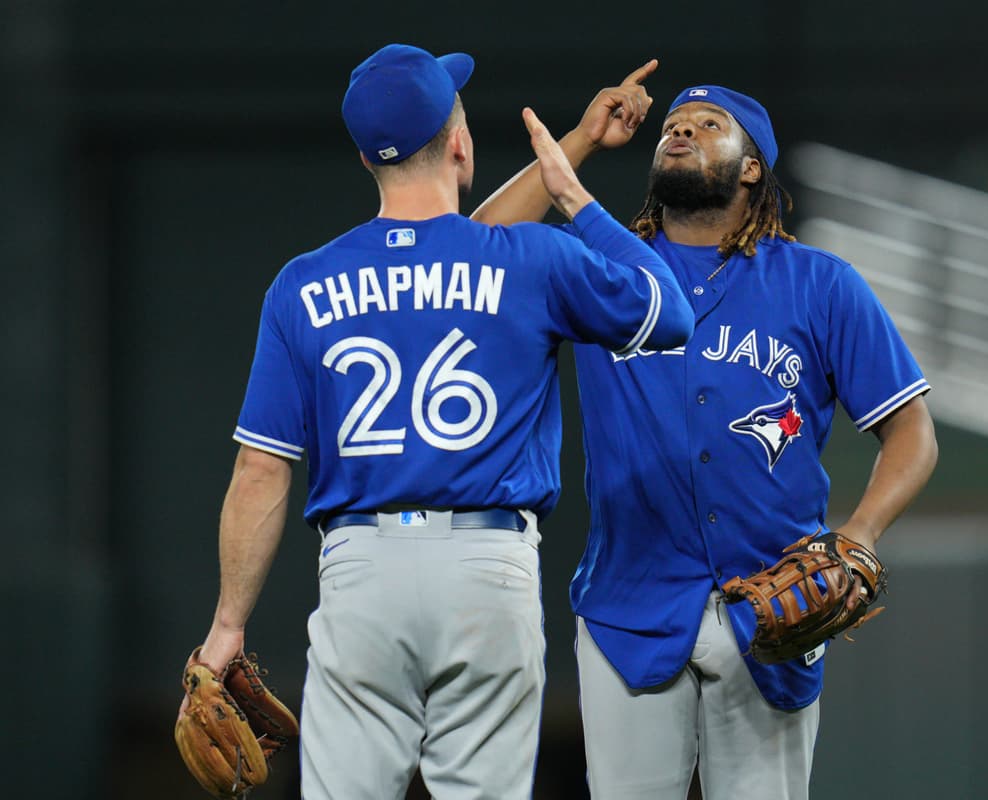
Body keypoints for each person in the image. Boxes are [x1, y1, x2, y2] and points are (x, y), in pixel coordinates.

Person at [179, 44, 693, 800]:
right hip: (486, 569)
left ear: (364, 158)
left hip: (360, 574)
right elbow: (669, 313)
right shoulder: (532, 259)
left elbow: (260, 470)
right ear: (460, 142)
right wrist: (571, 189)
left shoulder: (302, 283)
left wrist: (226, 628)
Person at [473, 63, 939, 798]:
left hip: (773, 609)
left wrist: (860, 537)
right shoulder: (602, 268)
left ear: (753, 168)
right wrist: (583, 141)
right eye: (672, 127)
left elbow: (913, 433)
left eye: (709, 125)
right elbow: (476, 247)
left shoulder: (820, 283)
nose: (682, 129)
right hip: (630, 604)